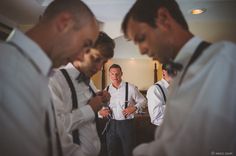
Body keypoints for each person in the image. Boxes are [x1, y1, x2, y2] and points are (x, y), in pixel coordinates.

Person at [121, 0, 236, 156]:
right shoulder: (177, 78)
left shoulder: (225, 60)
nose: (141, 51)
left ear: (163, 19)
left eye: (141, 38)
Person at [0, 0, 99, 156]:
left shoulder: (38, 73)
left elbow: (58, 145)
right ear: (63, 23)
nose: (80, 57)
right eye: (84, 44)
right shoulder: (8, 67)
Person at [49, 31, 115, 156]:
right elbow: (54, 128)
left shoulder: (88, 81)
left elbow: (96, 107)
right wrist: (89, 109)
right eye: (96, 59)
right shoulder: (55, 80)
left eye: (104, 62)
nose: (99, 67)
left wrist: (103, 99)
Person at [105, 64, 147, 156]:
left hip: (127, 125)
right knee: (112, 151)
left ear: (121, 74)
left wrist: (135, 107)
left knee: (128, 151)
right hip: (111, 124)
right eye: (112, 74)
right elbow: (104, 106)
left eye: (117, 74)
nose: (115, 76)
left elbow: (143, 100)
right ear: (109, 75)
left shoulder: (131, 87)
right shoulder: (106, 90)